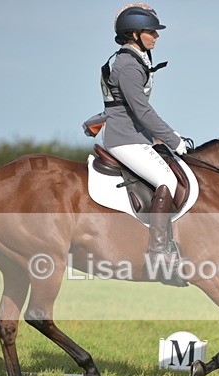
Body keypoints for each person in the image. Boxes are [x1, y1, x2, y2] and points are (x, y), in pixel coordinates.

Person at [83, 3, 187, 284]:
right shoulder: (128, 65)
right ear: (134, 34)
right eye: (151, 31)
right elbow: (141, 111)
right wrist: (173, 139)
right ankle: (158, 253)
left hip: (132, 134)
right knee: (168, 181)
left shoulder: (131, 60)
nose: (156, 36)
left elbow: (124, 107)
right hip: (125, 139)